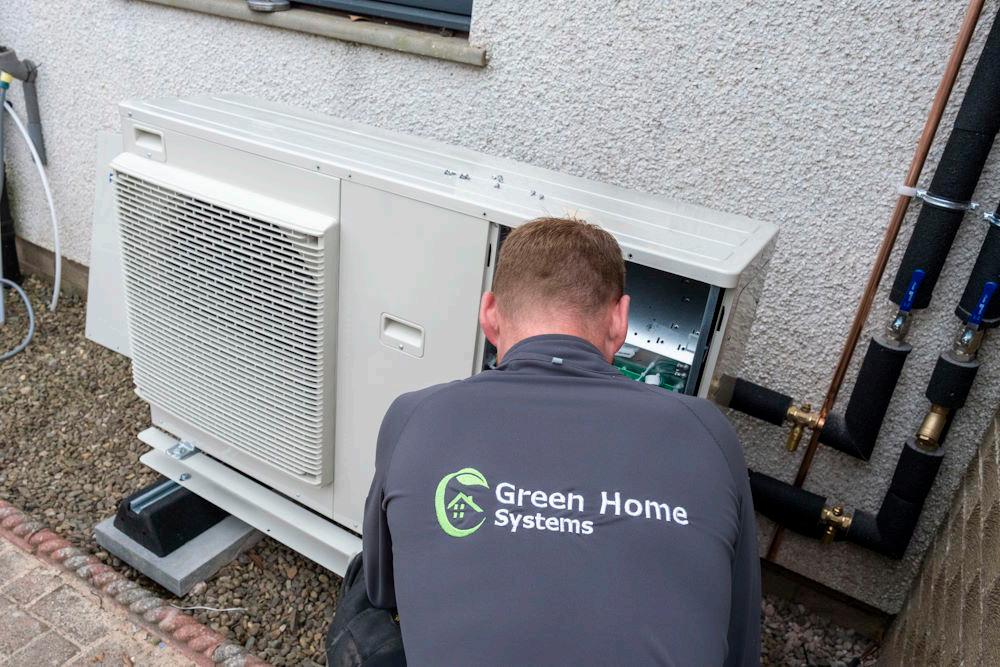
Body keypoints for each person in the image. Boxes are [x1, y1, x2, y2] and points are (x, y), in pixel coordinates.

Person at [362, 217, 761, 666]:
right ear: (620, 320)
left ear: (489, 314)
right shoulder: (707, 432)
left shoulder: (414, 415)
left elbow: (380, 588)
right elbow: (740, 643)